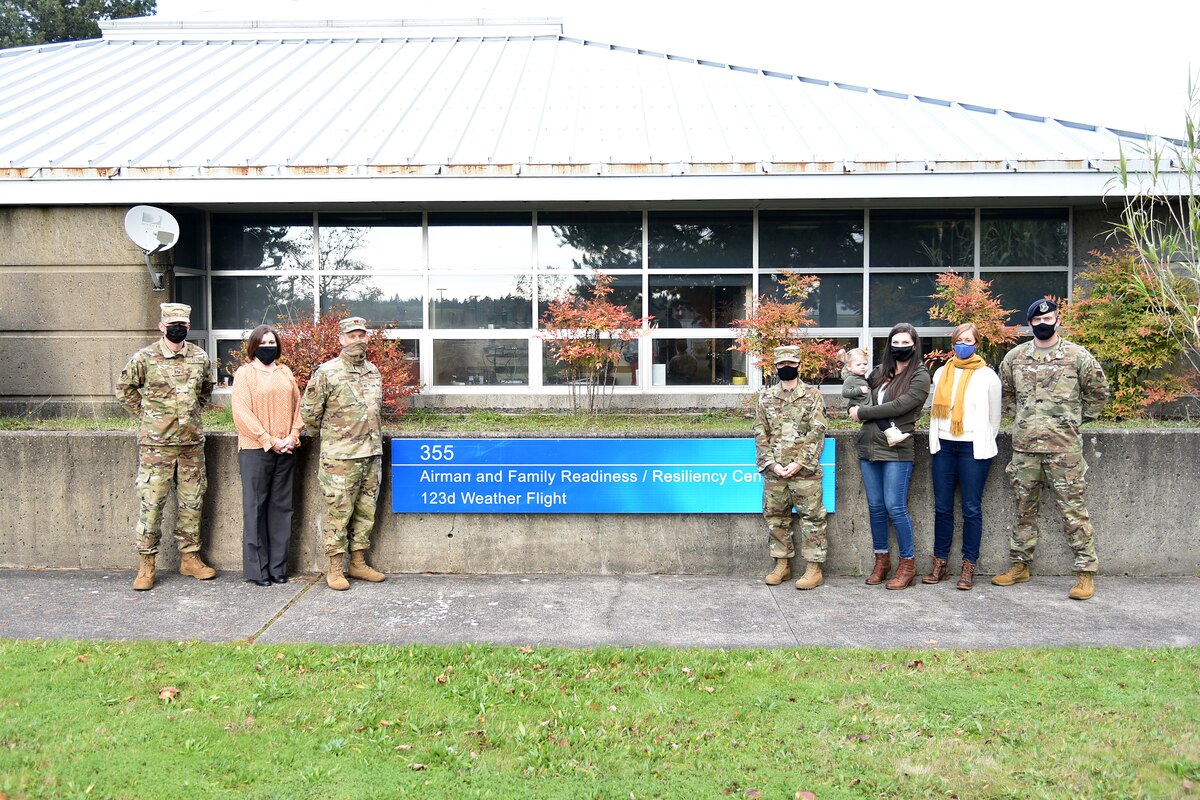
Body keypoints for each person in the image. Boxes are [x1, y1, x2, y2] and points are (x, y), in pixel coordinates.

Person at [994, 298, 1109, 600]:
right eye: (1037, 320)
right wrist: (1024, 421)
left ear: (1058, 320)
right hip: (1025, 448)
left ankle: (1085, 573)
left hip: (1064, 449)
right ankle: (1020, 565)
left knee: (1073, 511)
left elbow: (1098, 393)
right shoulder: (1015, 357)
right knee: (1022, 509)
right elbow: (1005, 395)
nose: (1043, 324)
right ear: (1029, 323)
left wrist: (1072, 421)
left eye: (1049, 319)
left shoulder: (1077, 356)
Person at [115, 303, 216, 591]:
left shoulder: (199, 357)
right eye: (172, 323)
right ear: (162, 326)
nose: (177, 328)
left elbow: (205, 390)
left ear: (188, 326)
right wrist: (148, 416)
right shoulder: (144, 358)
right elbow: (125, 390)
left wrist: (192, 417)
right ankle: (146, 564)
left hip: (190, 445)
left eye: (182, 324)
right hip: (156, 446)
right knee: (151, 504)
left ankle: (190, 558)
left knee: (192, 503)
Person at [301, 316, 387, 591]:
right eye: (352, 336)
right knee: (338, 513)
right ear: (341, 339)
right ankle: (335, 567)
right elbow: (310, 414)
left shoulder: (373, 372)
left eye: (362, 335)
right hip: (340, 458)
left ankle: (358, 563)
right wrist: (332, 439)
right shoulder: (327, 372)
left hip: (370, 455)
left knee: (365, 512)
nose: (358, 340)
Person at [849, 323, 931, 589]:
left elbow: (901, 406)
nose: (900, 348)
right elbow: (856, 392)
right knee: (875, 508)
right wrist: (854, 402)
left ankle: (907, 564)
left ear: (914, 345)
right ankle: (881, 561)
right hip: (869, 446)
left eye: (905, 343)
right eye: (895, 343)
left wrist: (863, 413)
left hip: (897, 449)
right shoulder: (879, 373)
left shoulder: (920, 375)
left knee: (894, 507)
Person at [925, 323, 1002, 590]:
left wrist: (983, 441)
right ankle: (940, 562)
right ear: (953, 344)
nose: (963, 344)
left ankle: (969, 566)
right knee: (943, 507)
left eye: (968, 340)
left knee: (971, 508)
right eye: (959, 340)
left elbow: (995, 418)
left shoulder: (988, 376)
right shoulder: (941, 373)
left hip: (973, 448)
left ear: (977, 343)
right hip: (945, 445)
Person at [232, 325, 303, 587]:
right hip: (255, 450)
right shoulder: (245, 374)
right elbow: (241, 413)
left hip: (286, 449)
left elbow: (300, 407)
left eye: (272, 342)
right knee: (255, 508)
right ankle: (258, 570)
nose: (268, 346)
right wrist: (268, 440)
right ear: (254, 346)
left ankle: (277, 567)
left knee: (281, 509)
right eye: (262, 343)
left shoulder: (285, 372)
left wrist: (293, 436)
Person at [753, 345, 829, 590]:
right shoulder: (765, 396)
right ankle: (782, 565)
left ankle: (814, 569)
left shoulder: (813, 395)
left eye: (791, 364)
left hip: (804, 471)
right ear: (775, 367)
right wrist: (771, 464)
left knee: (812, 519)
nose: (786, 368)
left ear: (799, 365)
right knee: (776, 518)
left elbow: (818, 432)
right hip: (776, 472)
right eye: (781, 364)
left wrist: (799, 463)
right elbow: (759, 432)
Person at [839, 347, 909, 446]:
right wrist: (859, 390)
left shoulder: (860, 378)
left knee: (879, 415)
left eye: (865, 364)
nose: (863, 367)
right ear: (849, 367)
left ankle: (892, 435)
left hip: (866, 405)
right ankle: (892, 436)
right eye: (858, 365)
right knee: (879, 416)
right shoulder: (850, 379)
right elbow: (845, 393)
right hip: (861, 406)